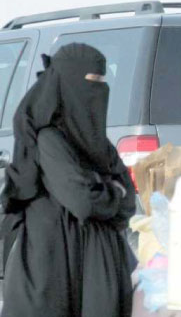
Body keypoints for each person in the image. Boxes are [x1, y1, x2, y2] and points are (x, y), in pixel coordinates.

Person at [0, 43, 136, 317]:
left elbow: (129, 201)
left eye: (102, 82)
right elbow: (82, 201)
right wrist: (113, 193)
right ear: (68, 84)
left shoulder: (98, 144)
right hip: (54, 265)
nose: (98, 92)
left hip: (94, 264)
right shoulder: (50, 139)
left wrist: (107, 194)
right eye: (90, 82)